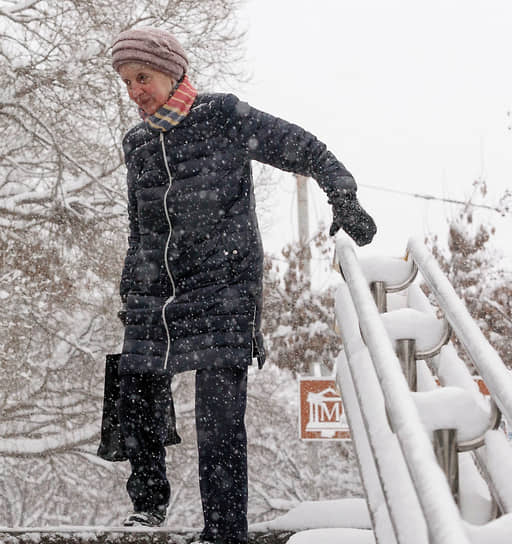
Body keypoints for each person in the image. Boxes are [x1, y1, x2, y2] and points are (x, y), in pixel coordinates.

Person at [109, 27, 375, 542]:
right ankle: (146, 507)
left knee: (219, 416)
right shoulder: (138, 142)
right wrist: (131, 289)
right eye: (126, 82)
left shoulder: (221, 116)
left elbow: (305, 147)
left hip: (223, 286)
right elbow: (138, 223)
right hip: (154, 288)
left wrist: (343, 196)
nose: (135, 91)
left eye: (142, 77)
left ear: (171, 71)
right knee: (135, 387)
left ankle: (225, 529)